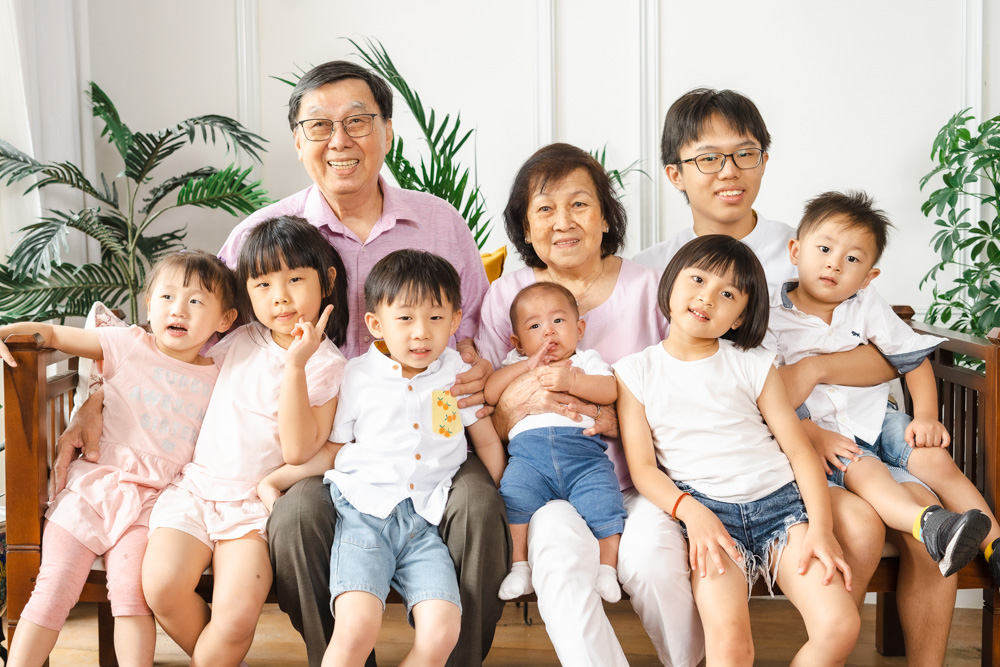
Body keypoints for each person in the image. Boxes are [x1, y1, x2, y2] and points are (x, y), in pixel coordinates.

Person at [57, 60, 507, 667]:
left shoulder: (439, 224)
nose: (339, 141)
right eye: (318, 126)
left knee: (480, 508)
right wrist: (100, 398)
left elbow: (481, 331)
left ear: (388, 131)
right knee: (295, 519)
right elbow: (184, 338)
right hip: (320, 448)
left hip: (433, 430)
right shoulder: (258, 236)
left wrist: (481, 376)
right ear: (298, 142)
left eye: (357, 122)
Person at [632, 87, 959, 663]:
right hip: (757, 455)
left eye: (746, 153)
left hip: (846, 435)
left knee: (918, 510)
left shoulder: (815, 243)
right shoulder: (653, 269)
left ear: (764, 159)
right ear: (676, 174)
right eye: (708, 157)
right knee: (857, 521)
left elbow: (895, 351)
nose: (729, 171)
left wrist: (814, 368)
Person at [476, 143, 687, 667]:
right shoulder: (506, 296)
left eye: (579, 204)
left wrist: (614, 419)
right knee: (557, 562)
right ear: (526, 229)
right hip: (540, 483)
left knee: (654, 563)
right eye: (544, 209)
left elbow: (681, 386)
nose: (562, 222)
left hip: (635, 480)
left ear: (605, 217)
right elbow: (480, 402)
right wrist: (515, 409)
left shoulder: (647, 287)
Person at [617, 234, 860, 666]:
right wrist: (693, 512)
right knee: (729, 646)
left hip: (783, 509)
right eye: (697, 279)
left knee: (839, 625)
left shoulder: (752, 363)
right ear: (670, 283)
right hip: (711, 516)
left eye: (727, 293)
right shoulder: (636, 372)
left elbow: (800, 452)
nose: (707, 297)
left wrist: (821, 527)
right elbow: (643, 469)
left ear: (738, 318)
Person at [258, 249, 506, 666]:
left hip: (425, 524)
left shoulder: (455, 375)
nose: (421, 334)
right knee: (355, 629)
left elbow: (485, 443)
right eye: (405, 319)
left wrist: (498, 484)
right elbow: (336, 450)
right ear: (376, 324)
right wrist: (277, 479)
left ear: (456, 319)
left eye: (435, 318)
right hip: (364, 519)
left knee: (443, 629)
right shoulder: (357, 375)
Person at [0, 251, 238, 667]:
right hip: (92, 487)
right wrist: (5, 332)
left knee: (132, 596)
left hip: (153, 504)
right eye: (165, 297)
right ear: (149, 306)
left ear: (225, 320)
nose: (177, 309)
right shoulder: (127, 344)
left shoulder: (220, 375)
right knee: (54, 585)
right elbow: (52, 335)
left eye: (196, 301)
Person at [141, 217, 348, 666]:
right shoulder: (237, 339)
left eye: (295, 279)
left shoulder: (327, 365)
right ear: (245, 293)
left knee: (235, 619)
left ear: (326, 282)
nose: (281, 297)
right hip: (194, 490)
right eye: (263, 284)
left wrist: (295, 366)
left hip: (251, 508)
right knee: (160, 585)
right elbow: (175, 373)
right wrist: (99, 397)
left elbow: (297, 451)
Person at [766, 190, 1000, 577]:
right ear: (795, 250)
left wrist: (925, 415)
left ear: (868, 276)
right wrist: (809, 432)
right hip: (827, 433)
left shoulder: (865, 302)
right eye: (823, 249)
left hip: (878, 417)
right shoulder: (771, 315)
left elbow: (912, 359)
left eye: (852, 259)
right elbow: (771, 389)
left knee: (934, 459)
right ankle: (931, 525)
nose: (834, 265)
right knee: (867, 472)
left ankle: (994, 545)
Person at [483, 282, 625, 602]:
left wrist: (572, 380)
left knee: (605, 501)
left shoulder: (586, 361)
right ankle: (519, 567)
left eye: (558, 321)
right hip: (528, 459)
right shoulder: (514, 364)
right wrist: (526, 367)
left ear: (580, 328)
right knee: (513, 499)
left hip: (584, 456)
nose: (548, 332)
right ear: (517, 343)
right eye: (535, 326)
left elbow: (610, 391)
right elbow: (491, 393)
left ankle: (607, 570)